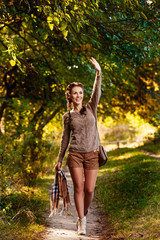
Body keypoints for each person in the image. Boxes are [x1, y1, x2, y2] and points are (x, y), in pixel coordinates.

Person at [55, 57, 102, 235]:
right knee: (79, 188)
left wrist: (98, 73)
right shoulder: (67, 117)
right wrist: (59, 159)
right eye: (75, 93)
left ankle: (83, 213)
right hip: (74, 154)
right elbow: (64, 139)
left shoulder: (91, 108)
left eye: (80, 92)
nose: (78, 95)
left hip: (92, 154)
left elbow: (96, 91)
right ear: (69, 96)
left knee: (89, 189)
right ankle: (82, 222)